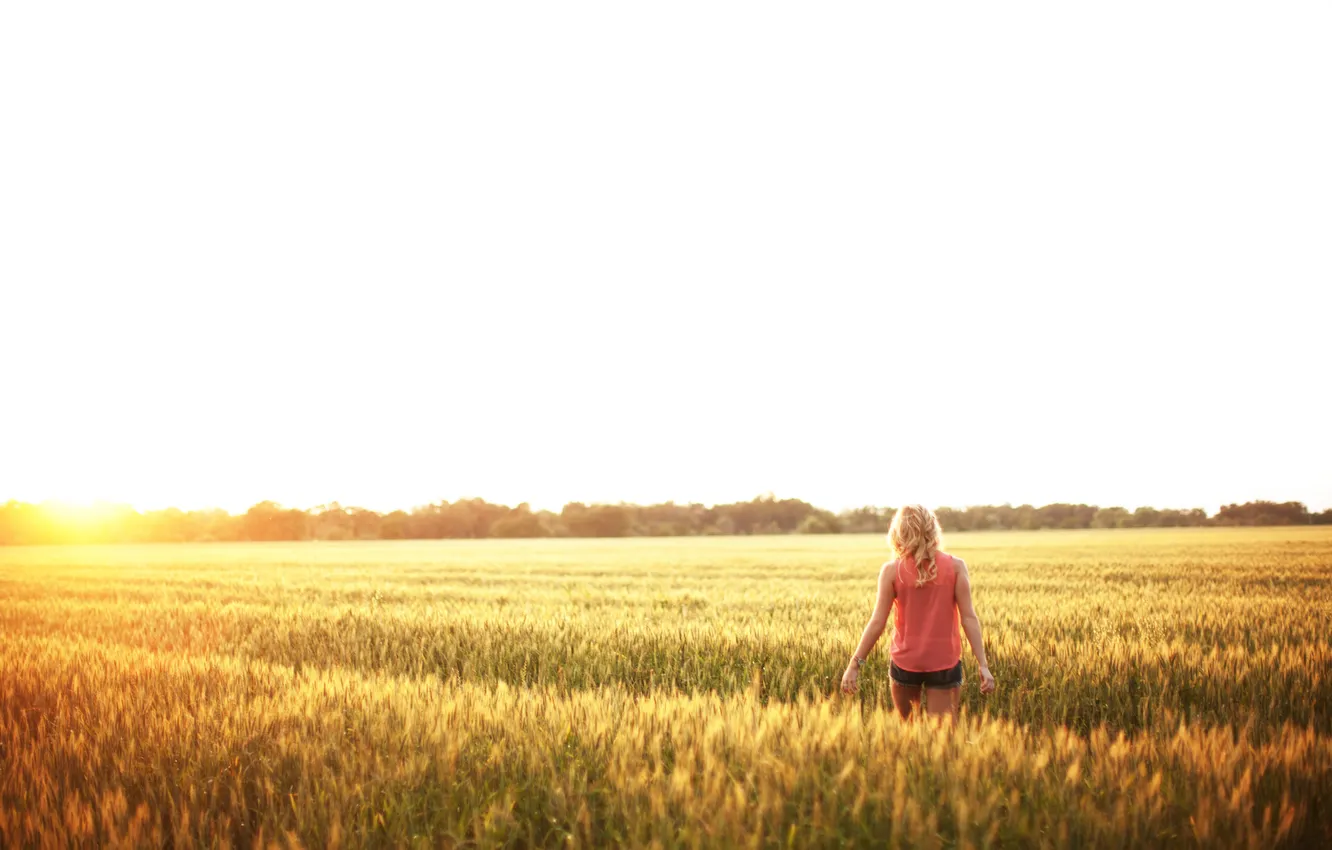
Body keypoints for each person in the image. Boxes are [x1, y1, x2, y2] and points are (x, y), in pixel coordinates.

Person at [840, 504, 995, 720]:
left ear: (898, 533)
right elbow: (968, 618)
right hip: (945, 661)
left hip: (906, 662)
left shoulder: (892, 570)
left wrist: (854, 665)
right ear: (933, 530)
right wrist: (983, 665)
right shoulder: (956, 567)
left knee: (908, 734)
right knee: (942, 739)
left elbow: (877, 622)